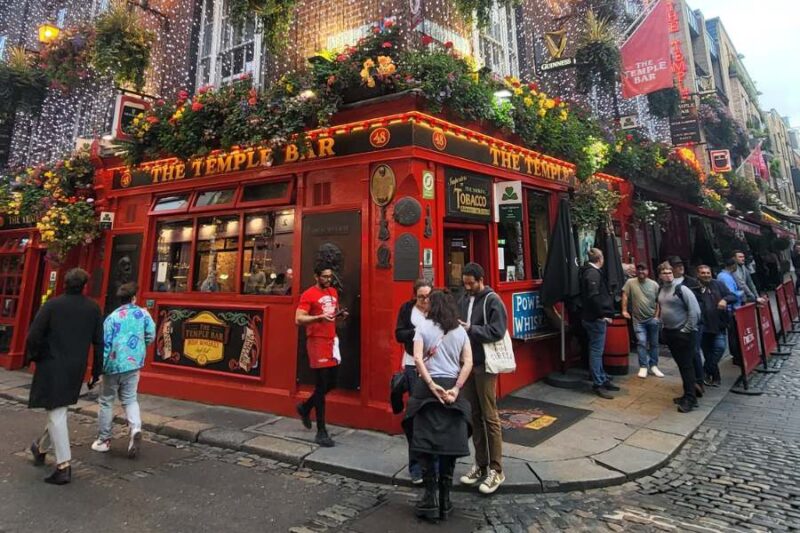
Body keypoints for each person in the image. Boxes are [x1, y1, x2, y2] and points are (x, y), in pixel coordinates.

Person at [25, 268, 104, 485]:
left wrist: (36, 356)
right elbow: (99, 343)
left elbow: (33, 336)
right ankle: (40, 447)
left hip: (52, 365)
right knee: (58, 410)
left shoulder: (52, 305)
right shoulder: (93, 308)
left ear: (64, 284)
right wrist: (96, 371)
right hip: (75, 368)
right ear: (85, 286)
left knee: (57, 412)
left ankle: (63, 466)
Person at [404, 290, 473, 521]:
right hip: (452, 387)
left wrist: (432, 386)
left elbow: (417, 359)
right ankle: (445, 499)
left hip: (427, 390)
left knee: (423, 441)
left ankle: (430, 498)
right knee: (449, 446)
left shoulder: (423, 326)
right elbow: (468, 362)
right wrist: (456, 388)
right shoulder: (460, 331)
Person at [457, 262, 507, 494]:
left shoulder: (492, 300)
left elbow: (498, 330)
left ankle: (496, 469)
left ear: (481, 279)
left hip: (485, 365)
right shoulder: (464, 299)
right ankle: (481, 464)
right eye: (465, 283)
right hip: (468, 364)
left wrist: (470, 329)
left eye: (471, 283)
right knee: (474, 415)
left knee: (490, 416)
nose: (467, 287)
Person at [91, 282, 156, 458]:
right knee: (129, 399)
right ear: (134, 298)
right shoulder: (143, 314)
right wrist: (140, 349)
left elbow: (104, 345)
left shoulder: (112, 318)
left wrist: (99, 368)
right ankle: (135, 428)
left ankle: (104, 440)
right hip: (133, 364)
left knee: (106, 401)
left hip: (112, 366)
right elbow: (151, 334)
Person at [295, 263, 348, 447]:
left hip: (332, 340)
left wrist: (339, 315)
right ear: (316, 277)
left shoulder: (333, 292)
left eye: (329, 276)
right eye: (324, 276)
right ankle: (321, 431)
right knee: (321, 384)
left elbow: (331, 314)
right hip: (317, 341)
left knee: (332, 382)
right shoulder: (309, 294)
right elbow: (299, 318)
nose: (328, 279)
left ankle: (306, 407)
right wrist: (318, 318)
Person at [394, 279, 433, 484]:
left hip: (434, 367)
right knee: (415, 416)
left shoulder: (437, 309)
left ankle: (432, 464)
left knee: (431, 415)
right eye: (421, 297)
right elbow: (398, 334)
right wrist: (417, 333)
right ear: (414, 296)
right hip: (411, 365)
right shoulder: (407, 309)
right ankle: (416, 465)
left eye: (428, 296)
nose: (425, 301)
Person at [656, 262, 701, 413]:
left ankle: (691, 398)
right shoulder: (662, 290)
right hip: (671, 333)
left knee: (687, 365)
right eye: (665, 273)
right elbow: (662, 309)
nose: (668, 275)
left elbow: (695, 311)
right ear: (660, 275)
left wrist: (686, 330)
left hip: (684, 333)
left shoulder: (682, 289)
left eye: (670, 272)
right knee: (682, 366)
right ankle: (687, 394)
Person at [578, 248, 620, 400]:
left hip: (589, 317)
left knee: (596, 350)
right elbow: (594, 296)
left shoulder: (588, 272)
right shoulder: (593, 273)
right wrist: (603, 314)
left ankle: (602, 377)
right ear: (600, 258)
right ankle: (598, 382)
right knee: (596, 351)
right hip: (595, 318)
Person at [695, 266, 736, 388]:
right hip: (703, 327)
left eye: (708, 272)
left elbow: (733, 296)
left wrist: (725, 299)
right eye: (703, 273)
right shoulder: (695, 288)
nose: (706, 275)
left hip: (719, 325)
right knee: (708, 354)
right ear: (698, 274)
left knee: (719, 348)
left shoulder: (718, 284)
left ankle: (704, 371)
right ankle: (715, 378)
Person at [669, 256, 704, 395]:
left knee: (694, 353)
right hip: (676, 327)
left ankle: (698, 383)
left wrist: (691, 323)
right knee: (683, 359)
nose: (680, 267)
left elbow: (699, 304)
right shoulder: (667, 284)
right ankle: (690, 386)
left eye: (681, 264)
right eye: (677, 265)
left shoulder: (691, 282)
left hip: (692, 324)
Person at [622, 263, 663, 379]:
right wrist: (624, 310)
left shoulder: (654, 284)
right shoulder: (630, 282)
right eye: (639, 269)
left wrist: (656, 316)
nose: (641, 272)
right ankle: (643, 366)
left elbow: (658, 301)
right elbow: (625, 295)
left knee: (654, 344)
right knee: (641, 343)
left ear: (648, 271)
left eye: (643, 269)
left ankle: (654, 365)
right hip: (638, 319)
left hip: (652, 318)